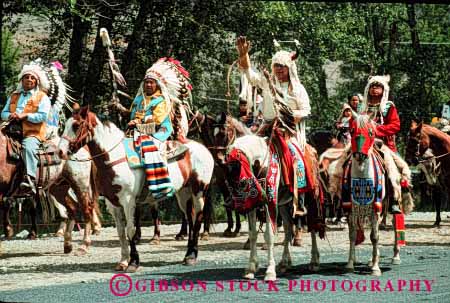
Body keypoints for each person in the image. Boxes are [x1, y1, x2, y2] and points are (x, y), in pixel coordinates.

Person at [1, 62, 51, 193]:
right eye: (26, 77)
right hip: (11, 129)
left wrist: (25, 116)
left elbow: (43, 116)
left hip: (32, 132)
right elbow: (3, 113)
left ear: (36, 81)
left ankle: (29, 178)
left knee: (28, 147)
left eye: (32, 78)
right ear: (21, 79)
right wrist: (10, 115)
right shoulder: (14, 95)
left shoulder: (42, 97)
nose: (29, 79)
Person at [128, 72, 174, 199]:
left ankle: (160, 184)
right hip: (137, 130)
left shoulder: (161, 100)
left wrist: (137, 123)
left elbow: (156, 120)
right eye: (146, 82)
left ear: (157, 85)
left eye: (151, 82)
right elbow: (133, 114)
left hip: (158, 130)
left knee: (151, 148)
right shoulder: (138, 99)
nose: (148, 84)